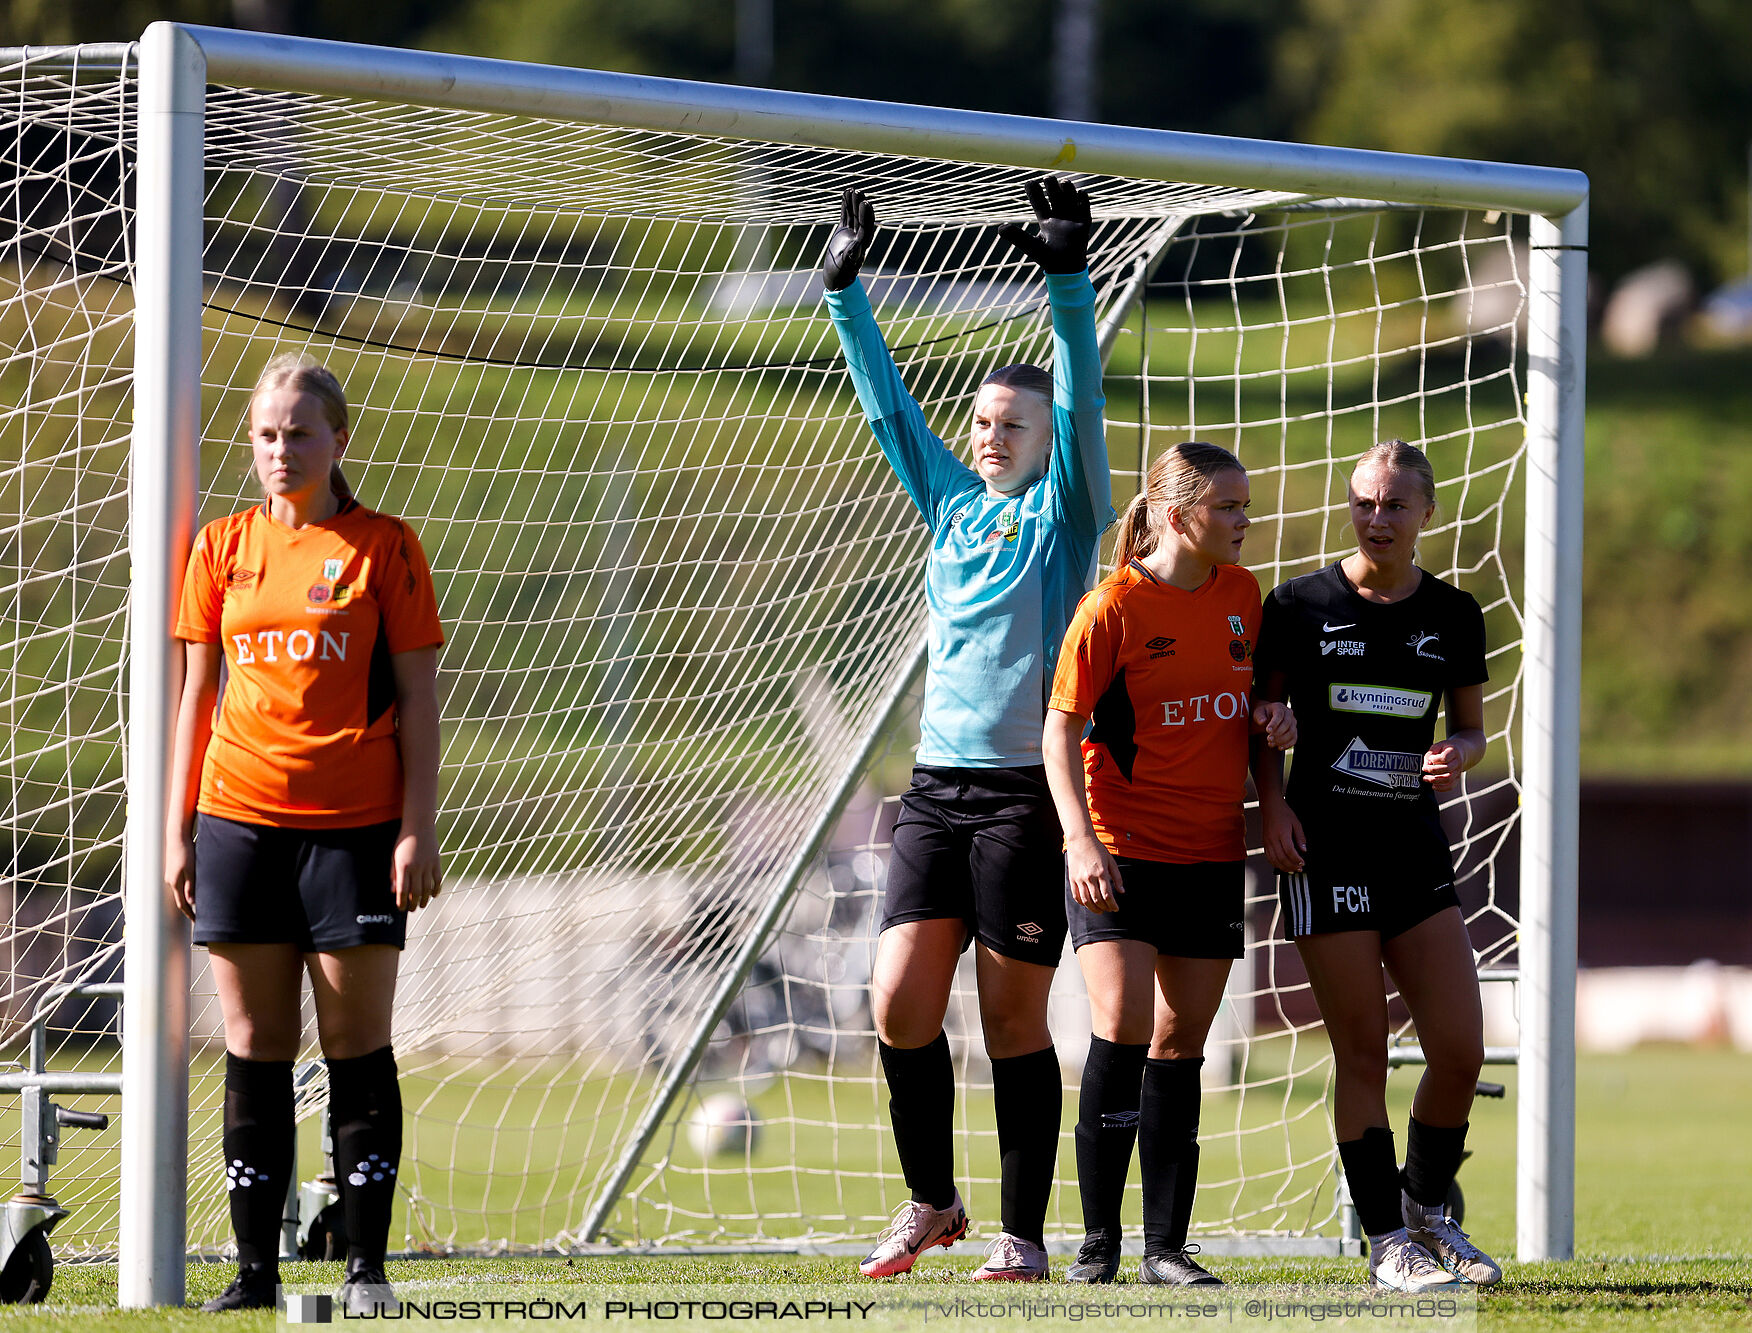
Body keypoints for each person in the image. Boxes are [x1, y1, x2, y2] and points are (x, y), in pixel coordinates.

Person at [822, 178, 1112, 1282]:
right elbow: (888, 407)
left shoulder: (1065, 510)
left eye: (1013, 425)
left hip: (1022, 796)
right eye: (983, 421)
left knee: (1010, 1021)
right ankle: (931, 1199)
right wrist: (847, 292)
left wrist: (1067, 280)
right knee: (894, 1001)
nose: (991, 435)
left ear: (1045, 442)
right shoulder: (947, 499)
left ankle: (1024, 1234)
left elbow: (1082, 398)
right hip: (934, 790)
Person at [166, 354, 444, 1314]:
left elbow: (418, 701)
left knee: (358, 1044)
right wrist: (177, 832)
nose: (281, 450)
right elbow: (196, 700)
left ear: (339, 442)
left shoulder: (386, 547)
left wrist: (419, 829)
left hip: (357, 834)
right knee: (255, 1046)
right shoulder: (219, 548)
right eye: (267, 435)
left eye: (300, 433)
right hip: (236, 822)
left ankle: (366, 1268)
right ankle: (255, 1272)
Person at [1253, 439, 1501, 1293]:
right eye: (1364, 501)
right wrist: (1274, 800)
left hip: (1411, 849)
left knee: (1461, 1050)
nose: (1378, 517)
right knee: (1359, 1052)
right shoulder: (1297, 604)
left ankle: (1428, 1211)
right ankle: (1387, 1241)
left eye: (1396, 504)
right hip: (1325, 851)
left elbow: (1469, 727)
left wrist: (1458, 753)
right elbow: (1265, 717)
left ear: (1428, 512)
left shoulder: (1457, 614)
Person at [1044, 442, 1294, 1286]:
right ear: (1183, 516)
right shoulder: (1112, 606)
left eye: (1245, 505)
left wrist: (1276, 762)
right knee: (1118, 1024)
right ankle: (1097, 1245)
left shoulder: (1243, 596)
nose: (1245, 521)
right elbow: (1060, 729)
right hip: (1118, 851)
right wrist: (1079, 839)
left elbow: (1255, 712)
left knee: (1181, 1038)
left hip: (1212, 851)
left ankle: (1165, 1248)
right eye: (1230, 507)